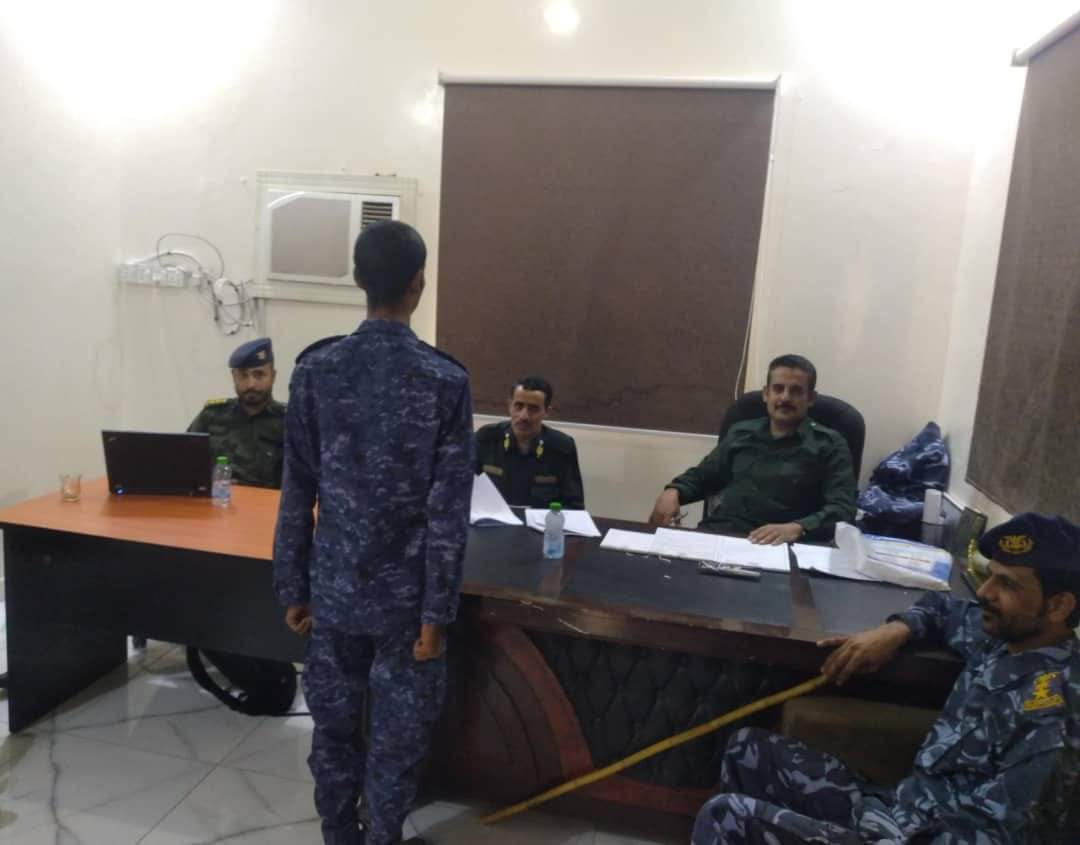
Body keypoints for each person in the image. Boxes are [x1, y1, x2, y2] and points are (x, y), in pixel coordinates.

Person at [692, 512, 1080, 844]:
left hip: (919, 837)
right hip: (899, 810)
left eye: (1008, 584)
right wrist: (896, 630)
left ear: (1059, 606)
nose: (985, 592)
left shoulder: (1053, 716)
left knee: (727, 816)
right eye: (989, 576)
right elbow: (943, 609)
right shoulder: (1004, 637)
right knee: (747, 750)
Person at [273, 221, 474, 845]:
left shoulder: (316, 370)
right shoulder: (446, 381)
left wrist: (292, 587)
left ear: (358, 280)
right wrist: (437, 614)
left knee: (333, 733)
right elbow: (448, 515)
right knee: (395, 746)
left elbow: (297, 490)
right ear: (419, 284)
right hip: (407, 609)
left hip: (333, 595)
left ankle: (340, 836)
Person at [648, 354, 855, 544]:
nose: (785, 397)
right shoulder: (741, 432)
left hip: (781, 546)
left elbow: (843, 509)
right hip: (722, 535)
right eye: (778, 388)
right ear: (766, 394)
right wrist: (673, 491)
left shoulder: (829, 444)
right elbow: (703, 476)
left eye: (796, 391)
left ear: (810, 399)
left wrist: (798, 528)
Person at [187, 337, 286, 488]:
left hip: (266, 501)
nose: (251, 384)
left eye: (259, 375)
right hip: (218, 499)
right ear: (234, 377)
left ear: (273, 376)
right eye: (243, 375)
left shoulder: (288, 421)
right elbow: (184, 459)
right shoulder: (212, 416)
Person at [474, 376, 585, 509]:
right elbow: (465, 489)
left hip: (541, 522)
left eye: (533, 409)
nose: (524, 416)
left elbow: (574, 506)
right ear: (509, 406)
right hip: (493, 519)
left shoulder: (562, 447)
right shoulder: (486, 438)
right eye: (518, 406)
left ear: (547, 412)